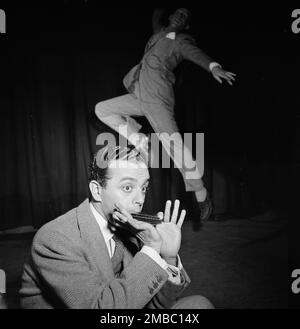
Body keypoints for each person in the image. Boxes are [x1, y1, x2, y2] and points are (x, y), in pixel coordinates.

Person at [19, 145, 214, 309]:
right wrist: (152, 251)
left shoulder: (131, 228)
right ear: (97, 190)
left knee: (199, 305)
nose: (140, 200)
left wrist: (167, 257)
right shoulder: (55, 238)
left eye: (144, 188)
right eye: (127, 187)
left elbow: (156, 306)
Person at [95, 8, 236, 222]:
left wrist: (213, 67)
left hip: (159, 98)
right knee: (102, 109)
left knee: (174, 145)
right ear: (170, 17)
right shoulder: (158, 33)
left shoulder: (181, 41)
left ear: (186, 25)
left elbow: (196, 54)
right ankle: (138, 138)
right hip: (140, 93)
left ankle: (201, 194)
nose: (180, 16)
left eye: (185, 17)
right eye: (177, 13)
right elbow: (155, 16)